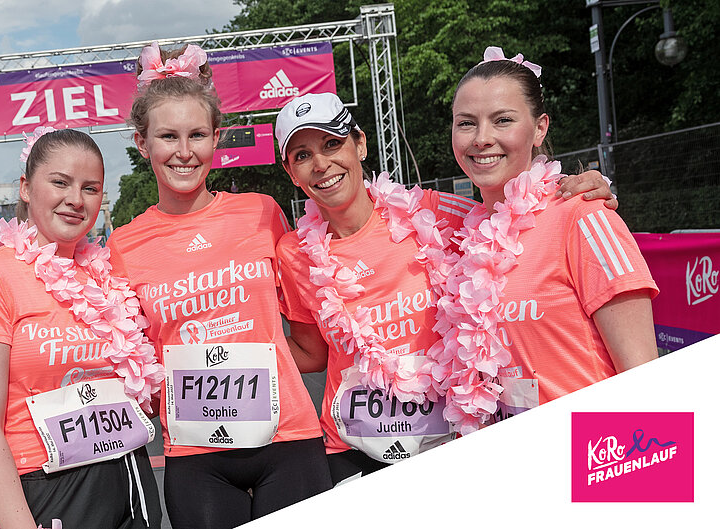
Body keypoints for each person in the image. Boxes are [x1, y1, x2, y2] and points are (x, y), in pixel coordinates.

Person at [273, 92, 620, 484]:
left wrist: (575, 188)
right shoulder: (293, 252)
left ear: (361, 143)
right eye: (301, 156)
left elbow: (513, 212)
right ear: (290, 172)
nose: (321, 164)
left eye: (332, 144)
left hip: (449, 441)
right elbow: (311, 352)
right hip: (352, 449)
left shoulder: (428, 213)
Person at [106, 43, 331, 528]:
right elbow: (135, 360)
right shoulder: (123, 245)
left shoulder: (262, 212)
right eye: (168, 136)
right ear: (142, 143)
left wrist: (258, 354)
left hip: (288, 437)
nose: (184, 152)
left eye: (197, 135)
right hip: (195, 452)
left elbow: (307, 330)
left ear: (217, 138)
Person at [0, 128, 164, 528]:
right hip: (46, 483)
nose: (75, 200)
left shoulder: (106, 275)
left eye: (90, 188)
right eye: (60, 182)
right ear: (27, 188)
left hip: (129, 472)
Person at [433, 46, 658, 433]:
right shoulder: (463, 238)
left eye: (502, 120)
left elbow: (648, 385)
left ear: (540, 129)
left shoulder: (583, 214)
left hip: (592, 463)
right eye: (466, 123)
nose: (481, 138)